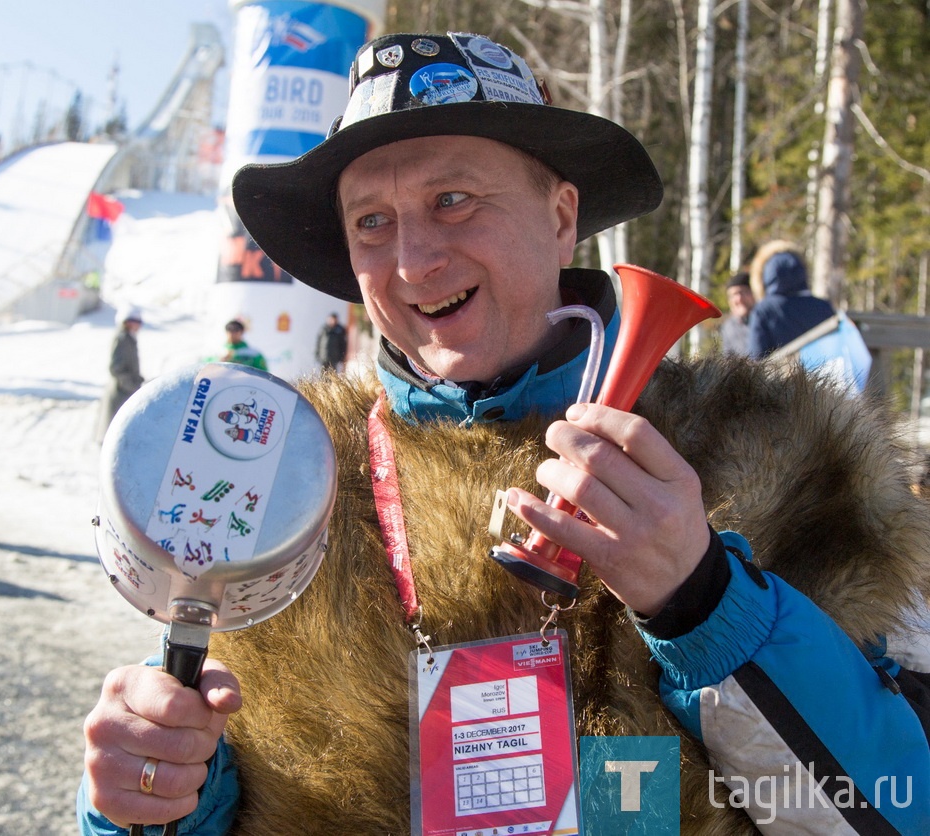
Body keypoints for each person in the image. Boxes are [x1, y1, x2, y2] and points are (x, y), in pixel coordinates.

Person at [79, 32, 930, 834]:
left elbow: (895, 807)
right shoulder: (290, 474)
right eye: (371, 222)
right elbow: (193, 774)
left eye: (453, 200)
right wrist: (158, 791)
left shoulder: (779, 454)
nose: (413, 262)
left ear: (561, 217)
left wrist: (704, 600)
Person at [746, 240, 836, 359]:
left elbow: (756, 356)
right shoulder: (823, 306)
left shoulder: (763, 310)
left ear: (765, 274)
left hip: (780, 376)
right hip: (822, 374)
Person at [95, 305, 143, 440]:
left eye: (138, 323)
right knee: (115, 433)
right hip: (120, 392)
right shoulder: (122, 339)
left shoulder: (129, 338)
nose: (137, 326)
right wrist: (132, 385)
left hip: (125, 390)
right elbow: (116, 368)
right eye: (133, 322)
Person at [719, 270, 755, 355]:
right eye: (733, 295)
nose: (739, 299)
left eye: (743, 292)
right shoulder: (728, 328)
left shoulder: (768, 318)